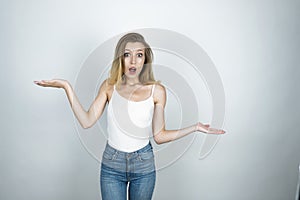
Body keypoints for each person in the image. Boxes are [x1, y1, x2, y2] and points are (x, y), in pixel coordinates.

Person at [34, 32, 225, 200]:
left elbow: (159, 136)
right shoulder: (109, 86)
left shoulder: (157, 91)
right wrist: (66, 86)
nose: (133, 61)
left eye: (139, 55)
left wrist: (195, 127)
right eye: (127, 55)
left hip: (143, 165)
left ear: (145, 60)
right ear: (120, 58)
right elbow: (86, 121)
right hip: (111, 164)